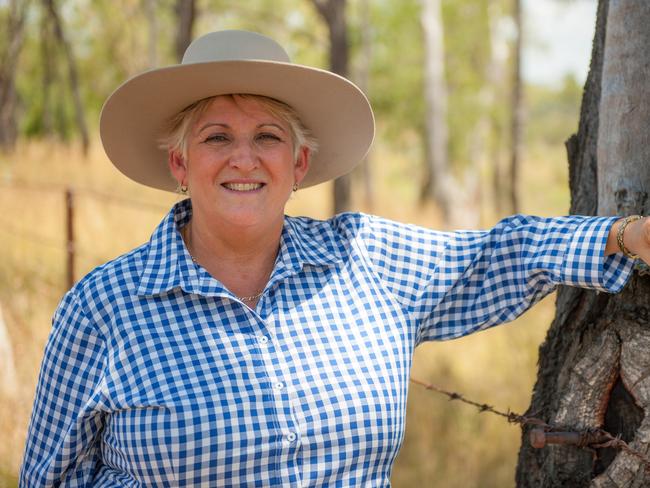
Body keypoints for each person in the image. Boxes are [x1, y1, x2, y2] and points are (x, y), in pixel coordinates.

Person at [19, 30, 650, 487]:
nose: (244, 158)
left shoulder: (364, 259)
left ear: (299, 165)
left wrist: (624, 235)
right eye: (216, 137)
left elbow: (496, 256)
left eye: (268, 136)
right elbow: (50, 478)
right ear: (180, 164)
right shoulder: (103, 308)